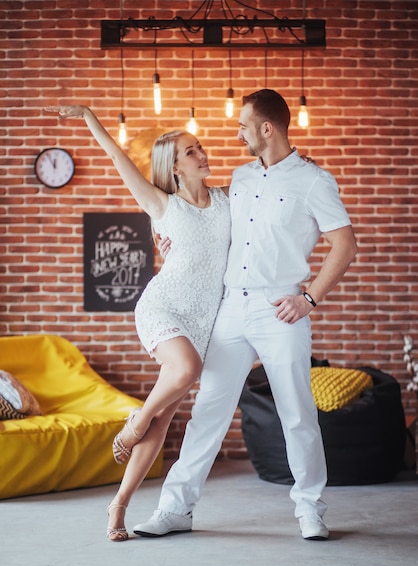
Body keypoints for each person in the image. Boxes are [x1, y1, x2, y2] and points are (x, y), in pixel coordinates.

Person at [133, 89, 358, 541]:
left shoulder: (314, 181)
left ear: (266, 128)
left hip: (282, 308)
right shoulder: (238, 178)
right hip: (230, 307)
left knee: (296, 413)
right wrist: (168, 237)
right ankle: (176, 509)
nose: (237, 135)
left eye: (243, 126)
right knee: (208, 413)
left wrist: (309, 297)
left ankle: (310, 509)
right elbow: (193, 216)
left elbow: (345, 245)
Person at [46, 105, 231, 541]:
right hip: (164, 307)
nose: (202, 154)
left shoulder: (228, 197)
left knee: (163, 419)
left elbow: (265, 183)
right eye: (191, 151)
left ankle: (118, 506)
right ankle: (133, 424)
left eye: (199, 146)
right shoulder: (161, 203)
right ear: (174, 167)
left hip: (204, 319)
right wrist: (90, 115)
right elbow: (116, 157)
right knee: (184, 372)